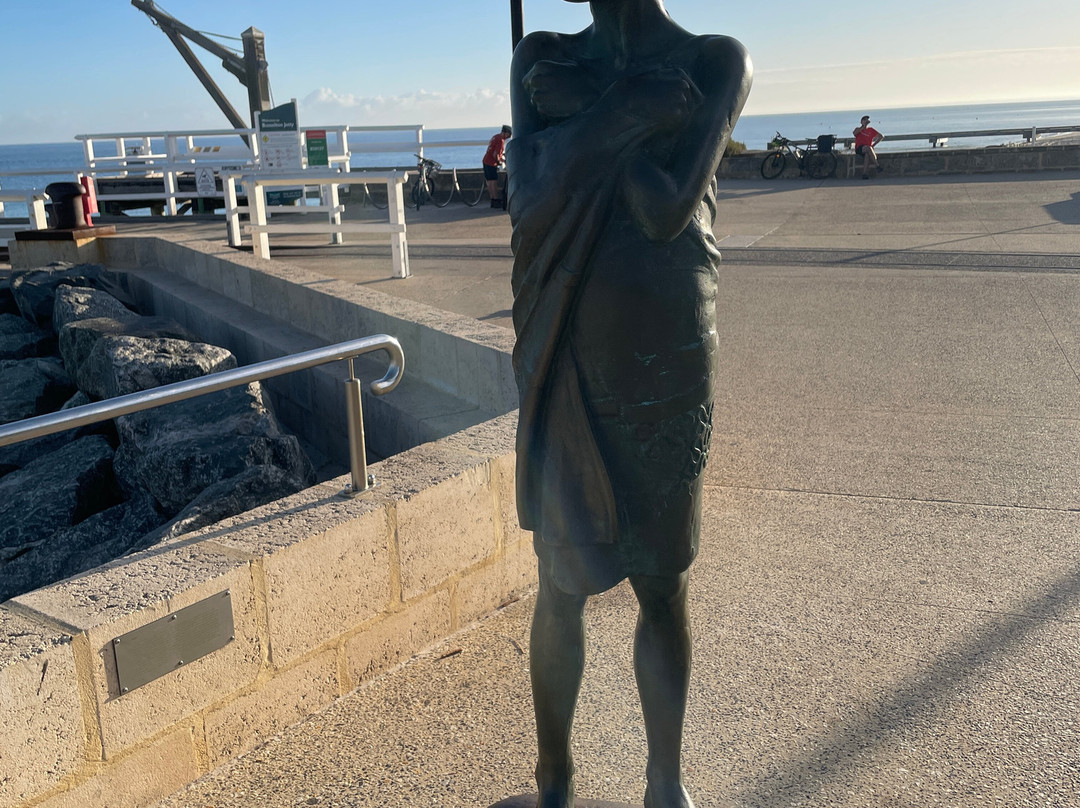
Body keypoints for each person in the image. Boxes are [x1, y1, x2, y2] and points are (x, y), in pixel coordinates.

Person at [506, 1, 752, 807]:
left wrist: (578, 121)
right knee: (559, 582)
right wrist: (619, 113)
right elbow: (528, 196)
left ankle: (664, 782)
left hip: (670, 355)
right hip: (567, 351)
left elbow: (663, 210)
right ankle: (554, 777)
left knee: (663, 581)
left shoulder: (714, 59)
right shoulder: (541, 59)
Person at [483, 124, 512, 209]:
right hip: (491, 163)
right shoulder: (501, 141)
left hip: (486, 161)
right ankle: (496, 199)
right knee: (493, 181)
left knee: (489, 181)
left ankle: (492, 199)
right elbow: (496, 154)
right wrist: (502, 161)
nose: (509, 137)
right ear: (505, 133)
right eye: (509, 134)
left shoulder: (495, 137)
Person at [853, 114, 884, 179]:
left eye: (866, 120)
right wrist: (863, 126)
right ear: (861, 122)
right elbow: (854, 133)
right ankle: (877, 165)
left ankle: (865, 174)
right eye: (864, 120)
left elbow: (881, 136)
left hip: (868, 149)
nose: (866, 121)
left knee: (867, 155)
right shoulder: (858, 129)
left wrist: (873, 145)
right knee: (868, 148)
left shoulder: (871, 130)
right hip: (859, 148)